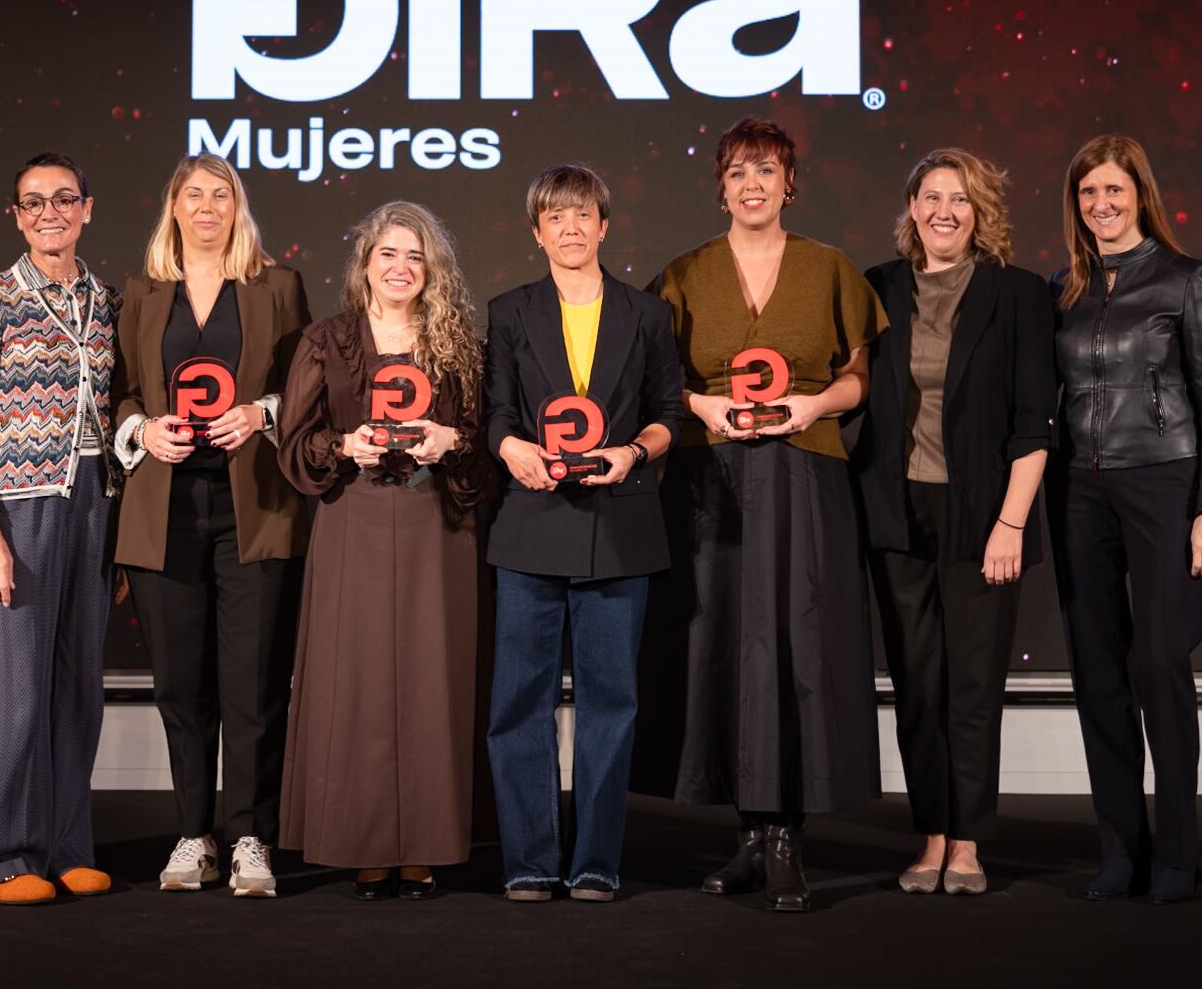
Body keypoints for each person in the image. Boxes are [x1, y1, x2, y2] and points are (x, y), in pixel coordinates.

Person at [635, 116, 888, 913]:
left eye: (767, 171)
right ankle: (748, 836)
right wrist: (700, 404)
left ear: (789, 183)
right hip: (713, 484)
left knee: (797, 645)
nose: (753, 185)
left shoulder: (830, 269)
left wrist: (815, 401)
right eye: (739, 172)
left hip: (806, 479)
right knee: (726, 648)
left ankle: (788, 838)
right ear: (722, 186)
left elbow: (857, 380)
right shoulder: (682, 275)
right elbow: (652, 384)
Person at [851, 149, 1056, 896]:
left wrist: (1011, 524)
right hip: (896, 511)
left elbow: (1035, 423)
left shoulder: (1018, 294)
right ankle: (930, 835)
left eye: (961, 199)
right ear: (911, 208)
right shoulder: (877, 289)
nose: (944, 210)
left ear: (981, 213)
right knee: (915, 682)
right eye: (931, 196)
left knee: (972, 685)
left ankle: (967, 842)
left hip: (984, 517)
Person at [276, 201, 492, 901]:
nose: (401, 268)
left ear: (432, 272)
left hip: (437, 525)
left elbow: (484, 448)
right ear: (365, 264)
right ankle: (364, 847)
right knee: (359, 683)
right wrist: (344, 444)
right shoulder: (325, 341)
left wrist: (448, 441)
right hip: (354, 522)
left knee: (433, 683)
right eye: (389, 254)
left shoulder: (458, 344)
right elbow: (295, 447)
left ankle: (425, 847)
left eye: (416, 257)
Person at [109, 154, 311, 898]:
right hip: (165, 511)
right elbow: (121, 391)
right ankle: (193, 834)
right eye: (191, 194)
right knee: (181, 686)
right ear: (172, 207)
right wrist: (141, 432)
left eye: (219, 195)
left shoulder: (277, 286)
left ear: (237, 207)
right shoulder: (140, 292)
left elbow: (309, 387)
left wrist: (261, 412)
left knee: (253, 684)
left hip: (253, 508)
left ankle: (249, 835)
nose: (205, 207)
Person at [483, 164, 684, 902]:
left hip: (619, 526)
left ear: (604, 226)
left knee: (612, 701)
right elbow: (496, 412)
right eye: (556, 217)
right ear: (538, 233)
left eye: (583, 215)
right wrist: (512, 451)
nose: (571, 228)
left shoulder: (647, 314)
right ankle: (531, 860)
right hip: (530, 524)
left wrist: (634, 451)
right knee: (517, 704)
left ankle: (596, 859)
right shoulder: (509, 312)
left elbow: (671, 411)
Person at [1048, 134, 1202, 905]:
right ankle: (1122, 851)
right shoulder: (1063, 287)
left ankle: (1177, 858)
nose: (1102, 204)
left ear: (1140, 195)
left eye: (1115, 191)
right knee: (1098, 674)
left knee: (1159, 666)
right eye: (1089, 193)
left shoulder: (1188, 280)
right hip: (1080, 493)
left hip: (1165, 484)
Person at [0, 152, 123, 906]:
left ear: (87, 208)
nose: (49, 213)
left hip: (94, 500)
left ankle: (65, 848)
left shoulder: (106, 299)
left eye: (64, 199)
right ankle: (5, 859)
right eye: (33, 203)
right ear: (17, 216)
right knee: (19, 696)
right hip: (21, 510)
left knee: (78, 688)